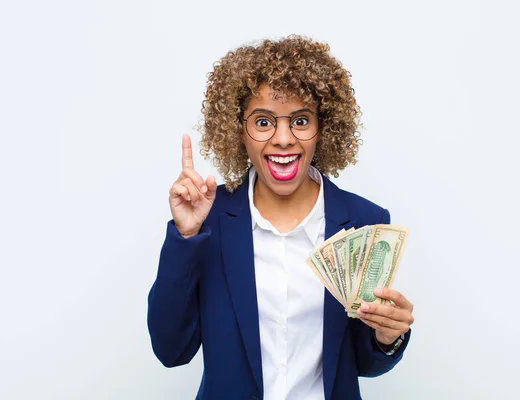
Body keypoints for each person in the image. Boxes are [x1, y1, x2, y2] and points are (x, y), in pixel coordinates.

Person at [147, 35, 415, 400]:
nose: (284, 139)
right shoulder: (210, 222)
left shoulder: (364, 221)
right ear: (238, 130)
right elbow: (170, 349)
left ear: (324, 128)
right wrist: (186, 236)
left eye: (301, 120)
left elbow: (364, 365)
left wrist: (387, 338)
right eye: (263, 122)